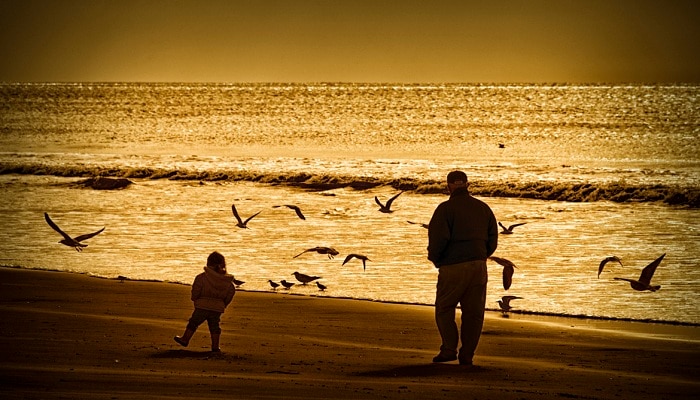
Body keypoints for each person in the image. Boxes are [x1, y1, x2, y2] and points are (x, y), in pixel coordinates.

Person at [427, 170, 498, 365]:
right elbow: (493, 238)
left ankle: (449, 348)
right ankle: (467, 354)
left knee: (444, 308)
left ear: (448, 186)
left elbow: (438, 239)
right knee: (474, 313)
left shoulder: (445, 209)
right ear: (467, 185)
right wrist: (482, 255)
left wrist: (436, 259)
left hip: (453, 265)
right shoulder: (483, 208)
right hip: (478, 266)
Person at [174, 251, 236, 352]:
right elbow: (230, 293)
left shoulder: (201, 277)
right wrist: (223, 304)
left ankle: (185, 339)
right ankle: (215, 346)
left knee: (193, 323)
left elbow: (196, 290)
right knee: (215, 326)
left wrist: (195, 299)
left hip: (202, 306)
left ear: (208, 263)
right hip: (217, 308)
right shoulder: (227, 281)